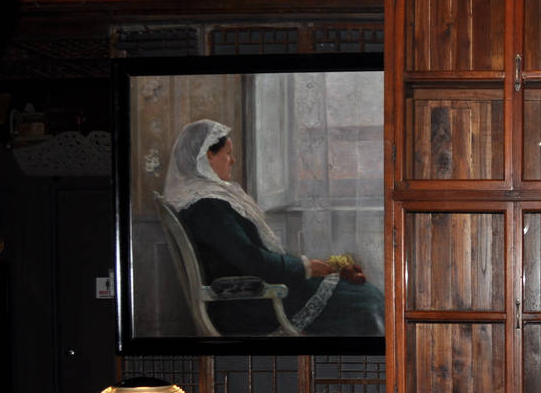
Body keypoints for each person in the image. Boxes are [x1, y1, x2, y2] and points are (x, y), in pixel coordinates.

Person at [162, 118, 384, 336]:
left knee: (362, 294)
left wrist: (306, 265)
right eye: (228, 154)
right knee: (364, 301)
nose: (233, 161)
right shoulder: (207, 205)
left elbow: (254, 256)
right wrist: (305, 267)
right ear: (208, 156)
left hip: (256, 292)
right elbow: (252, 260)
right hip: (248, 304)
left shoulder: (207, 199)